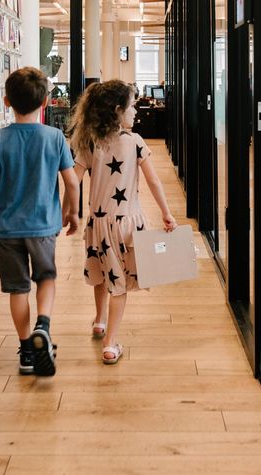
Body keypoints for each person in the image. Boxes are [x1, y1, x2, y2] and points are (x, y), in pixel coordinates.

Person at [0, 67, 79, 376]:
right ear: (45, 102)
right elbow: (72, 182)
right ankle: (43, 326)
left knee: (17, 288)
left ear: (6, 101)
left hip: (7, 228)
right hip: (43, 225)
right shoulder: (55, 137)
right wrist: (72, 213)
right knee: (46, 277)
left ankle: (26, 351)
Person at [69, 80, 177, 365]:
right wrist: (166, 212)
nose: (135, 111)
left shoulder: (91, 142)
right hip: (127, 224)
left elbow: (73, 180)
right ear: (118, 110)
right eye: (131, 106)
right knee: (119, 284)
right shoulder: (135, 142)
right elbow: (154, 182)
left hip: (97, 224)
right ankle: (110, 343)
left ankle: (99, 320)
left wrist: (68, 211)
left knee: (101, 272)